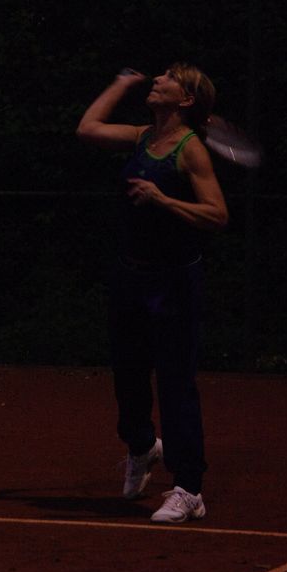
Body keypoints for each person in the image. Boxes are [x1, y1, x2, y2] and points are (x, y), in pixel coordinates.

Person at [76, 63, 228, 523]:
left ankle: (189, 488)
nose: (158, 80)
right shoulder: (144, 136)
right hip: (130, 277)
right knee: (128, 375)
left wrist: (164, 200)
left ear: (186, 100)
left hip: (174, 283)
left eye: (168, 79)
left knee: (176, 383)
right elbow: (88, 129)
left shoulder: (190, 150)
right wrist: (120, 83)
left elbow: (217, 214)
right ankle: (143, 447)